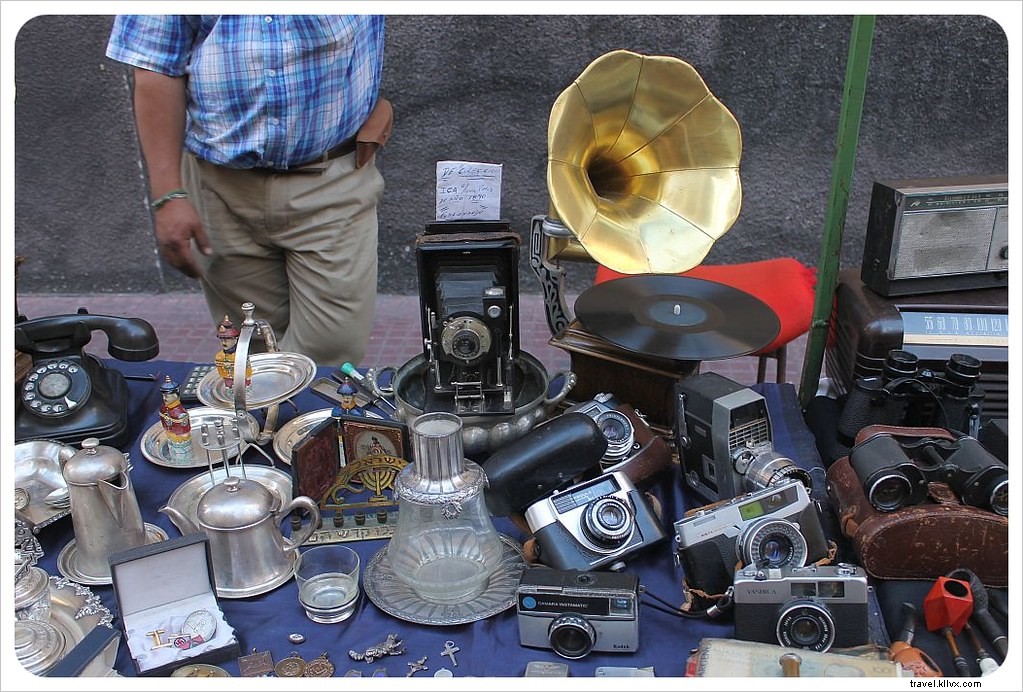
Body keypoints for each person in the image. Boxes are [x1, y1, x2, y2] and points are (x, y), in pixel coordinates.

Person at [106, 15, 391, 367]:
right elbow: (155, 65)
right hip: (218, 186)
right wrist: (168, 195)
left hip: (332, 180)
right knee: (252, 353)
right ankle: (267, 422)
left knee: (330, 353)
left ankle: (306, 420)